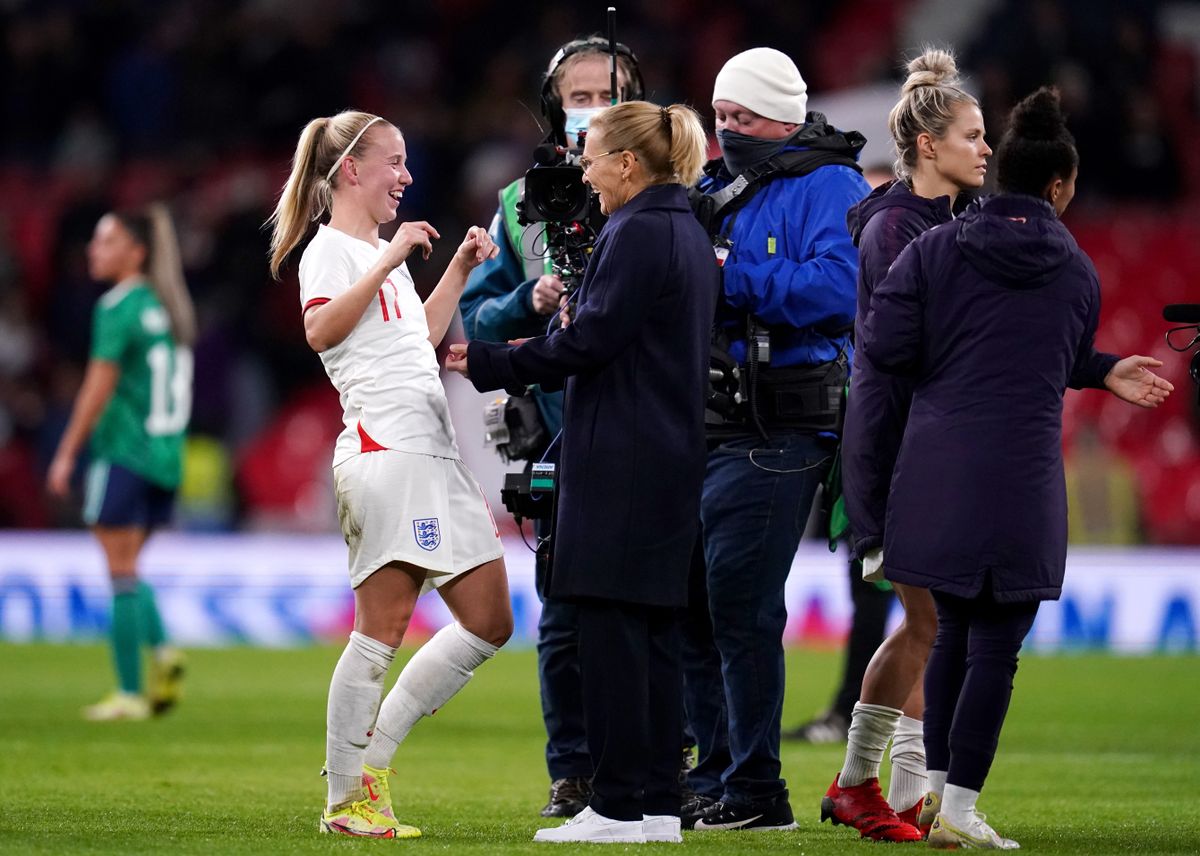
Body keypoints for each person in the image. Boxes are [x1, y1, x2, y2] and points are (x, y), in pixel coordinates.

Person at [857, 87, 1172, 850]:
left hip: (936, 471)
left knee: (954, 627)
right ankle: (961, 806)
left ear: (1000, 178)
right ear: (1061, 186)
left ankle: (931, 796)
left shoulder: (933, 251)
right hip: (1024, 476)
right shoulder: (1078, 274)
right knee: (999, 644)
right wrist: (1100, 370)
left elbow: (886, 351)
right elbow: (1045, 356)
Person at [447, 100, 716, 845]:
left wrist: (494, 361)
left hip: (620, 459)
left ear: (628, 163)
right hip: (666, 456)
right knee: (656, 635)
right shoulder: (684, 228)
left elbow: (589, 342)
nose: (582, 169)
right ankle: (660, 805)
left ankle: (618, 806)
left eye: (592, 153)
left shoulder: (635, 232)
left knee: (609, 635)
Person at [267, 110, 514, 839]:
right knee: (381, 630)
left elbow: (417, 343)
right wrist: (388, 260)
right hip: (384, 453)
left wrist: (459, 272)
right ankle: (347, 798)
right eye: (394, 162)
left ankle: (371, 763)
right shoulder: (331, 252)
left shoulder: (378, 251)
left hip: (434, 453)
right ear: (351, 170)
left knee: (491, 620)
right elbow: (319, 331)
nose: (406, 176)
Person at [678, 47, 870, 832]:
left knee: (741, 608)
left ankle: (756, 788)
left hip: (785, 423)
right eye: (720, 117)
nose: (728, 131)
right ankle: (715, 771)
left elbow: (840, 289)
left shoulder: (833, 184)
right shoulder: (714, 185)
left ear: (786, 116)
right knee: (695, 604)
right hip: (713, 420)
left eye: (743, 118)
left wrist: (729, 274)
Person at [458, 35, 642, 819]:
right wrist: (523, 303)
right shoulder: (518, 204)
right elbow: (473, 316)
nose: (592, 109)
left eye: (609, 94)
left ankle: (673, 761)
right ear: (553, 106)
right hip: (565, 433)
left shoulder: (679, 187)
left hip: (662, 424)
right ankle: (571, 772)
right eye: (579, 96)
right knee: (564, 617)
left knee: (671, 611)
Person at [822, 49, 992, 842]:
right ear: (929, 146)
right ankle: (865, 784)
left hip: (927, 449)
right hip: (895, 454)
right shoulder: (896, 227)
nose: (985, 149)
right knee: (931, 622)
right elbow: (910, 349)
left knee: (928, 622)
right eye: (972, 134)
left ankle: (894, 785)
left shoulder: (942, 222)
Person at [47, 203, 193, 722]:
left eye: (104, 241)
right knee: (129, 568)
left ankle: (130, 692)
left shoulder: (118, 307)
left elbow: (96, 387)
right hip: (166, 457)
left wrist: (66, 452)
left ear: (136, 252)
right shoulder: (169, 306)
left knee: (119, 572)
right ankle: (164, 654)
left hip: (125, 451)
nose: (93, 250)